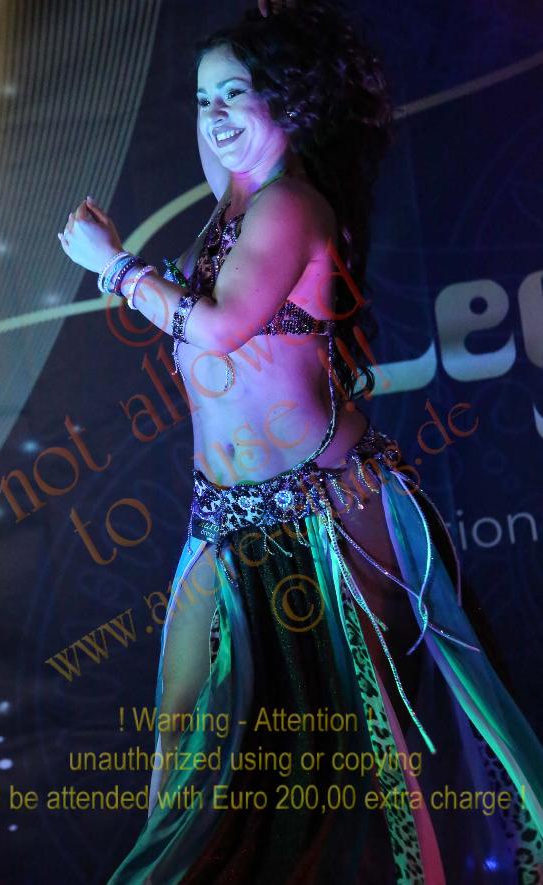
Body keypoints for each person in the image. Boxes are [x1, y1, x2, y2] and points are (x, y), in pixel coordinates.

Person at [59, 3, 543, 882]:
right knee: (187, 731)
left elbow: (218, 326)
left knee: (354, 746)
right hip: (226, 518)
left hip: (322, 513)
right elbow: (211, 286)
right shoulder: (236, 208)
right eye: (201, 99)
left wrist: (116, 266)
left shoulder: (288, 204)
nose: (212, 115)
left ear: (287, 100)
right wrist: (162, 241)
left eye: (233, 94)